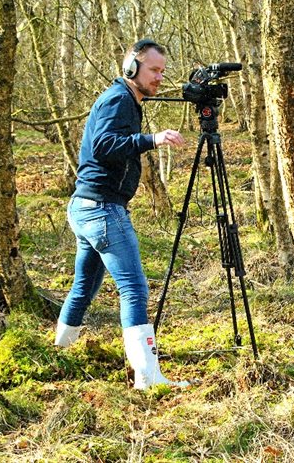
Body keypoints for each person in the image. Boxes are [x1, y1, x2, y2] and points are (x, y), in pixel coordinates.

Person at [53, 39, 187, 389]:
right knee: (134, 289)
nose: (159, 78)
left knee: (84, 286)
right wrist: (151, 139)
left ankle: (60, 352)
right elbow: (104, 145)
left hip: (86, 207)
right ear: (132, 68)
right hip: (101, 208)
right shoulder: (118, 99)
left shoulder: (126, 100)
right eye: (153, 70)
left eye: (162, 71)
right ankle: (148, 377)